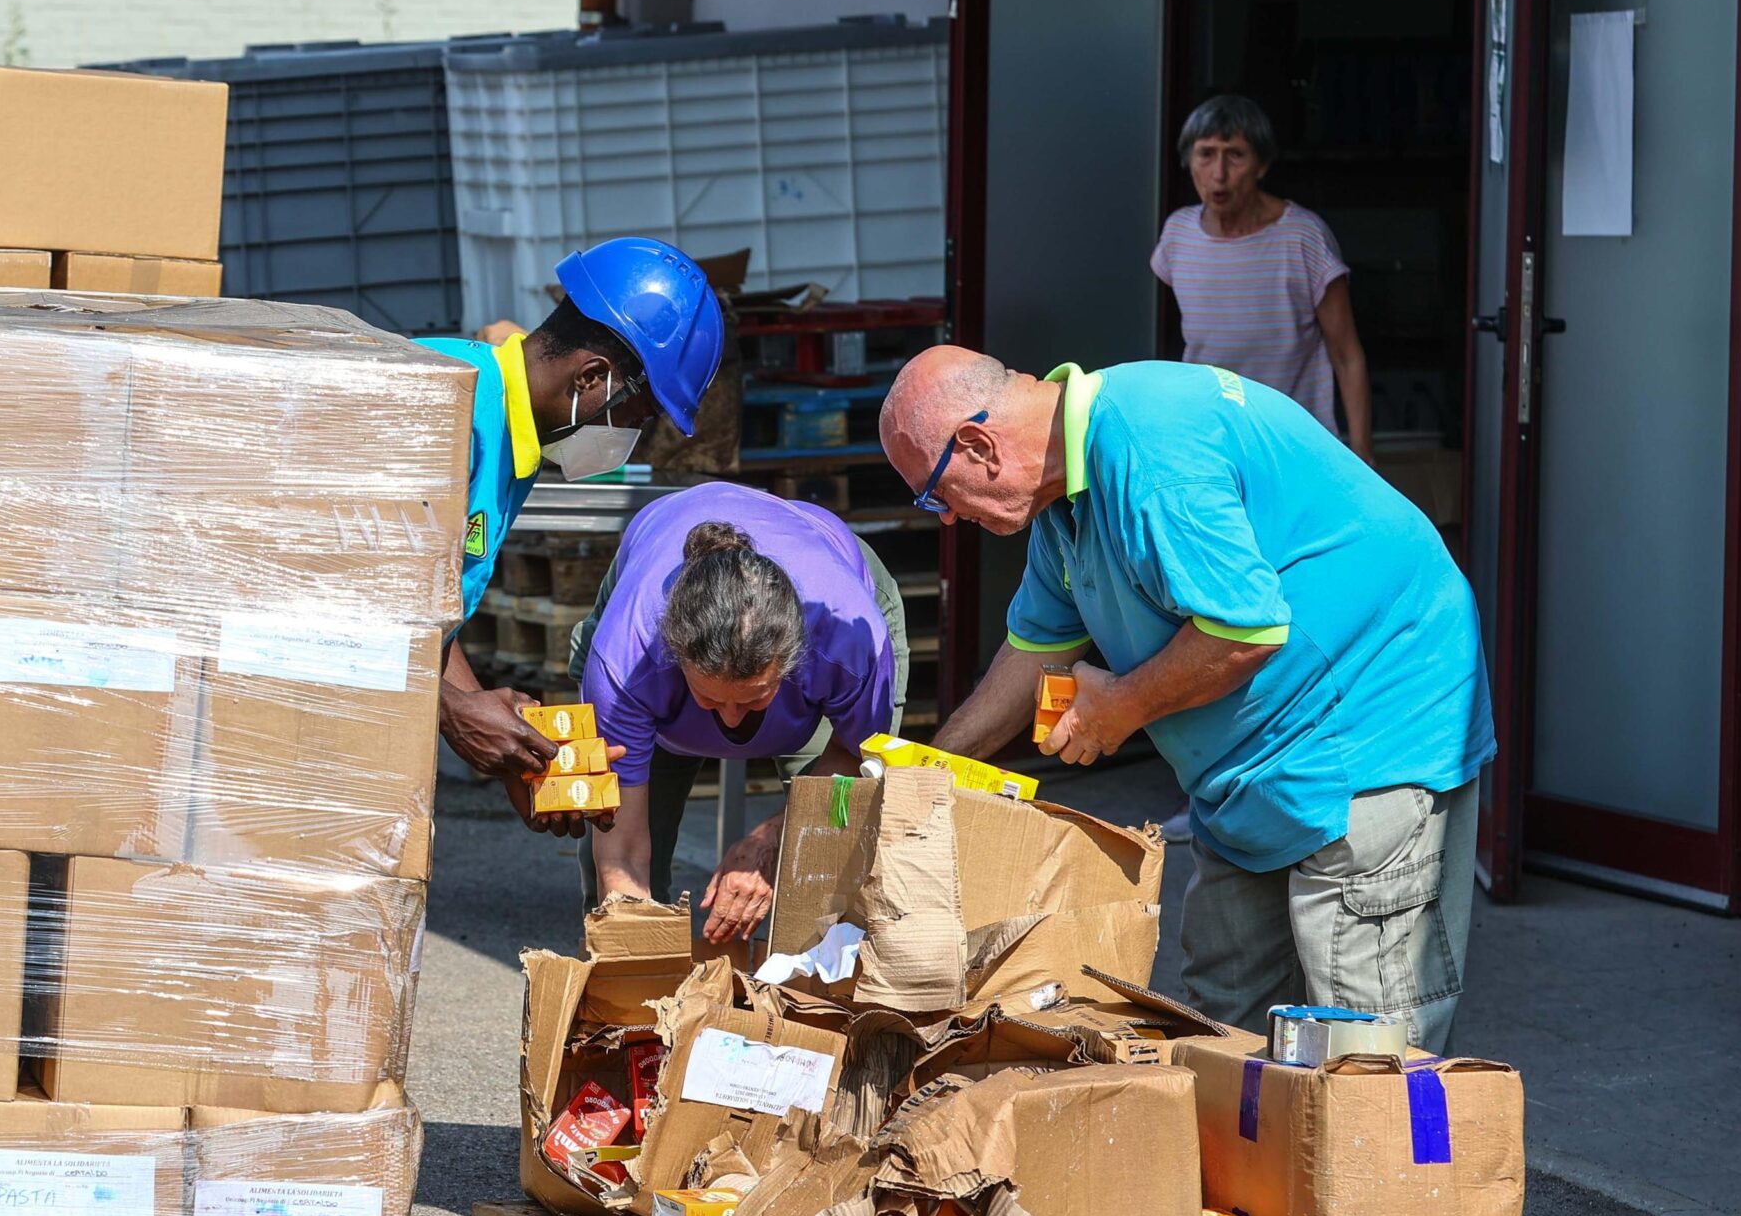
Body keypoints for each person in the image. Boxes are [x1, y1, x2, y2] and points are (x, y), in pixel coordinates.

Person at [878, 347, 1491, 1053]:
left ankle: (1389, 1162)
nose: (946, 519)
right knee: (1221, 1023)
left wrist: (1121, 707)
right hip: (1251, 769)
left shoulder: (1151, 447)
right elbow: (1035, 650)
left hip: (1373, 723)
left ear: (979, 446)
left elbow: (1245, 631)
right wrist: (926, 769)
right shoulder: (1060, 507)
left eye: (934, 494)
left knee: (1367, 1044)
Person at [418, 238, 727, 834]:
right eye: (638, 418)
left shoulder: (511, 437)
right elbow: (321, 598)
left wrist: (494, 729)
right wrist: (452, 710)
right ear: (592, 378)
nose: (633, 438)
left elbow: (414, 604)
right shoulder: (438, 413)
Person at [569, 481, 907, 943]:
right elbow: (622, 851)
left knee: (830, 844)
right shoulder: (626, 660)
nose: (730, 720)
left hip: (830, 585)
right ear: (674, 656)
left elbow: (854, 764)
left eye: (752, 699)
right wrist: (635, 955)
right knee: (613, 876)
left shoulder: (849, 639)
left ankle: (811, 992)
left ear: (793, 664)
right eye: (708, 698)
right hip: (651, 635)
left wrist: (772, 840)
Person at [1152, 94, 1374, 463]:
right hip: (1208, 438)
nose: (1218, 174)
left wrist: (1362, 452)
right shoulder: (1178, 235)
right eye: (1206, 154)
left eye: (1235, 155)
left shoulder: (1303, 235)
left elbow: (1346, 353)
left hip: (1293, 439)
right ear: (1188, 160)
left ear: (1261, 164)